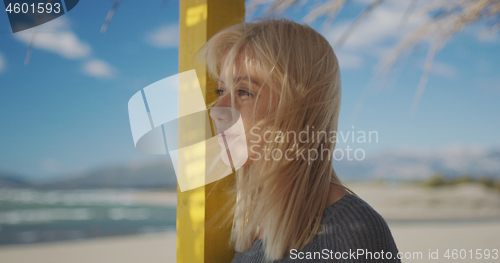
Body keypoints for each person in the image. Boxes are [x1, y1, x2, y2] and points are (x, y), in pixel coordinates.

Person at [197, 18, 401, 262]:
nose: (217, 109)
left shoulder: (352, 232)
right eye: (222, 91)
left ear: (300, 106)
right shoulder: (254, 224)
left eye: (244, 91)